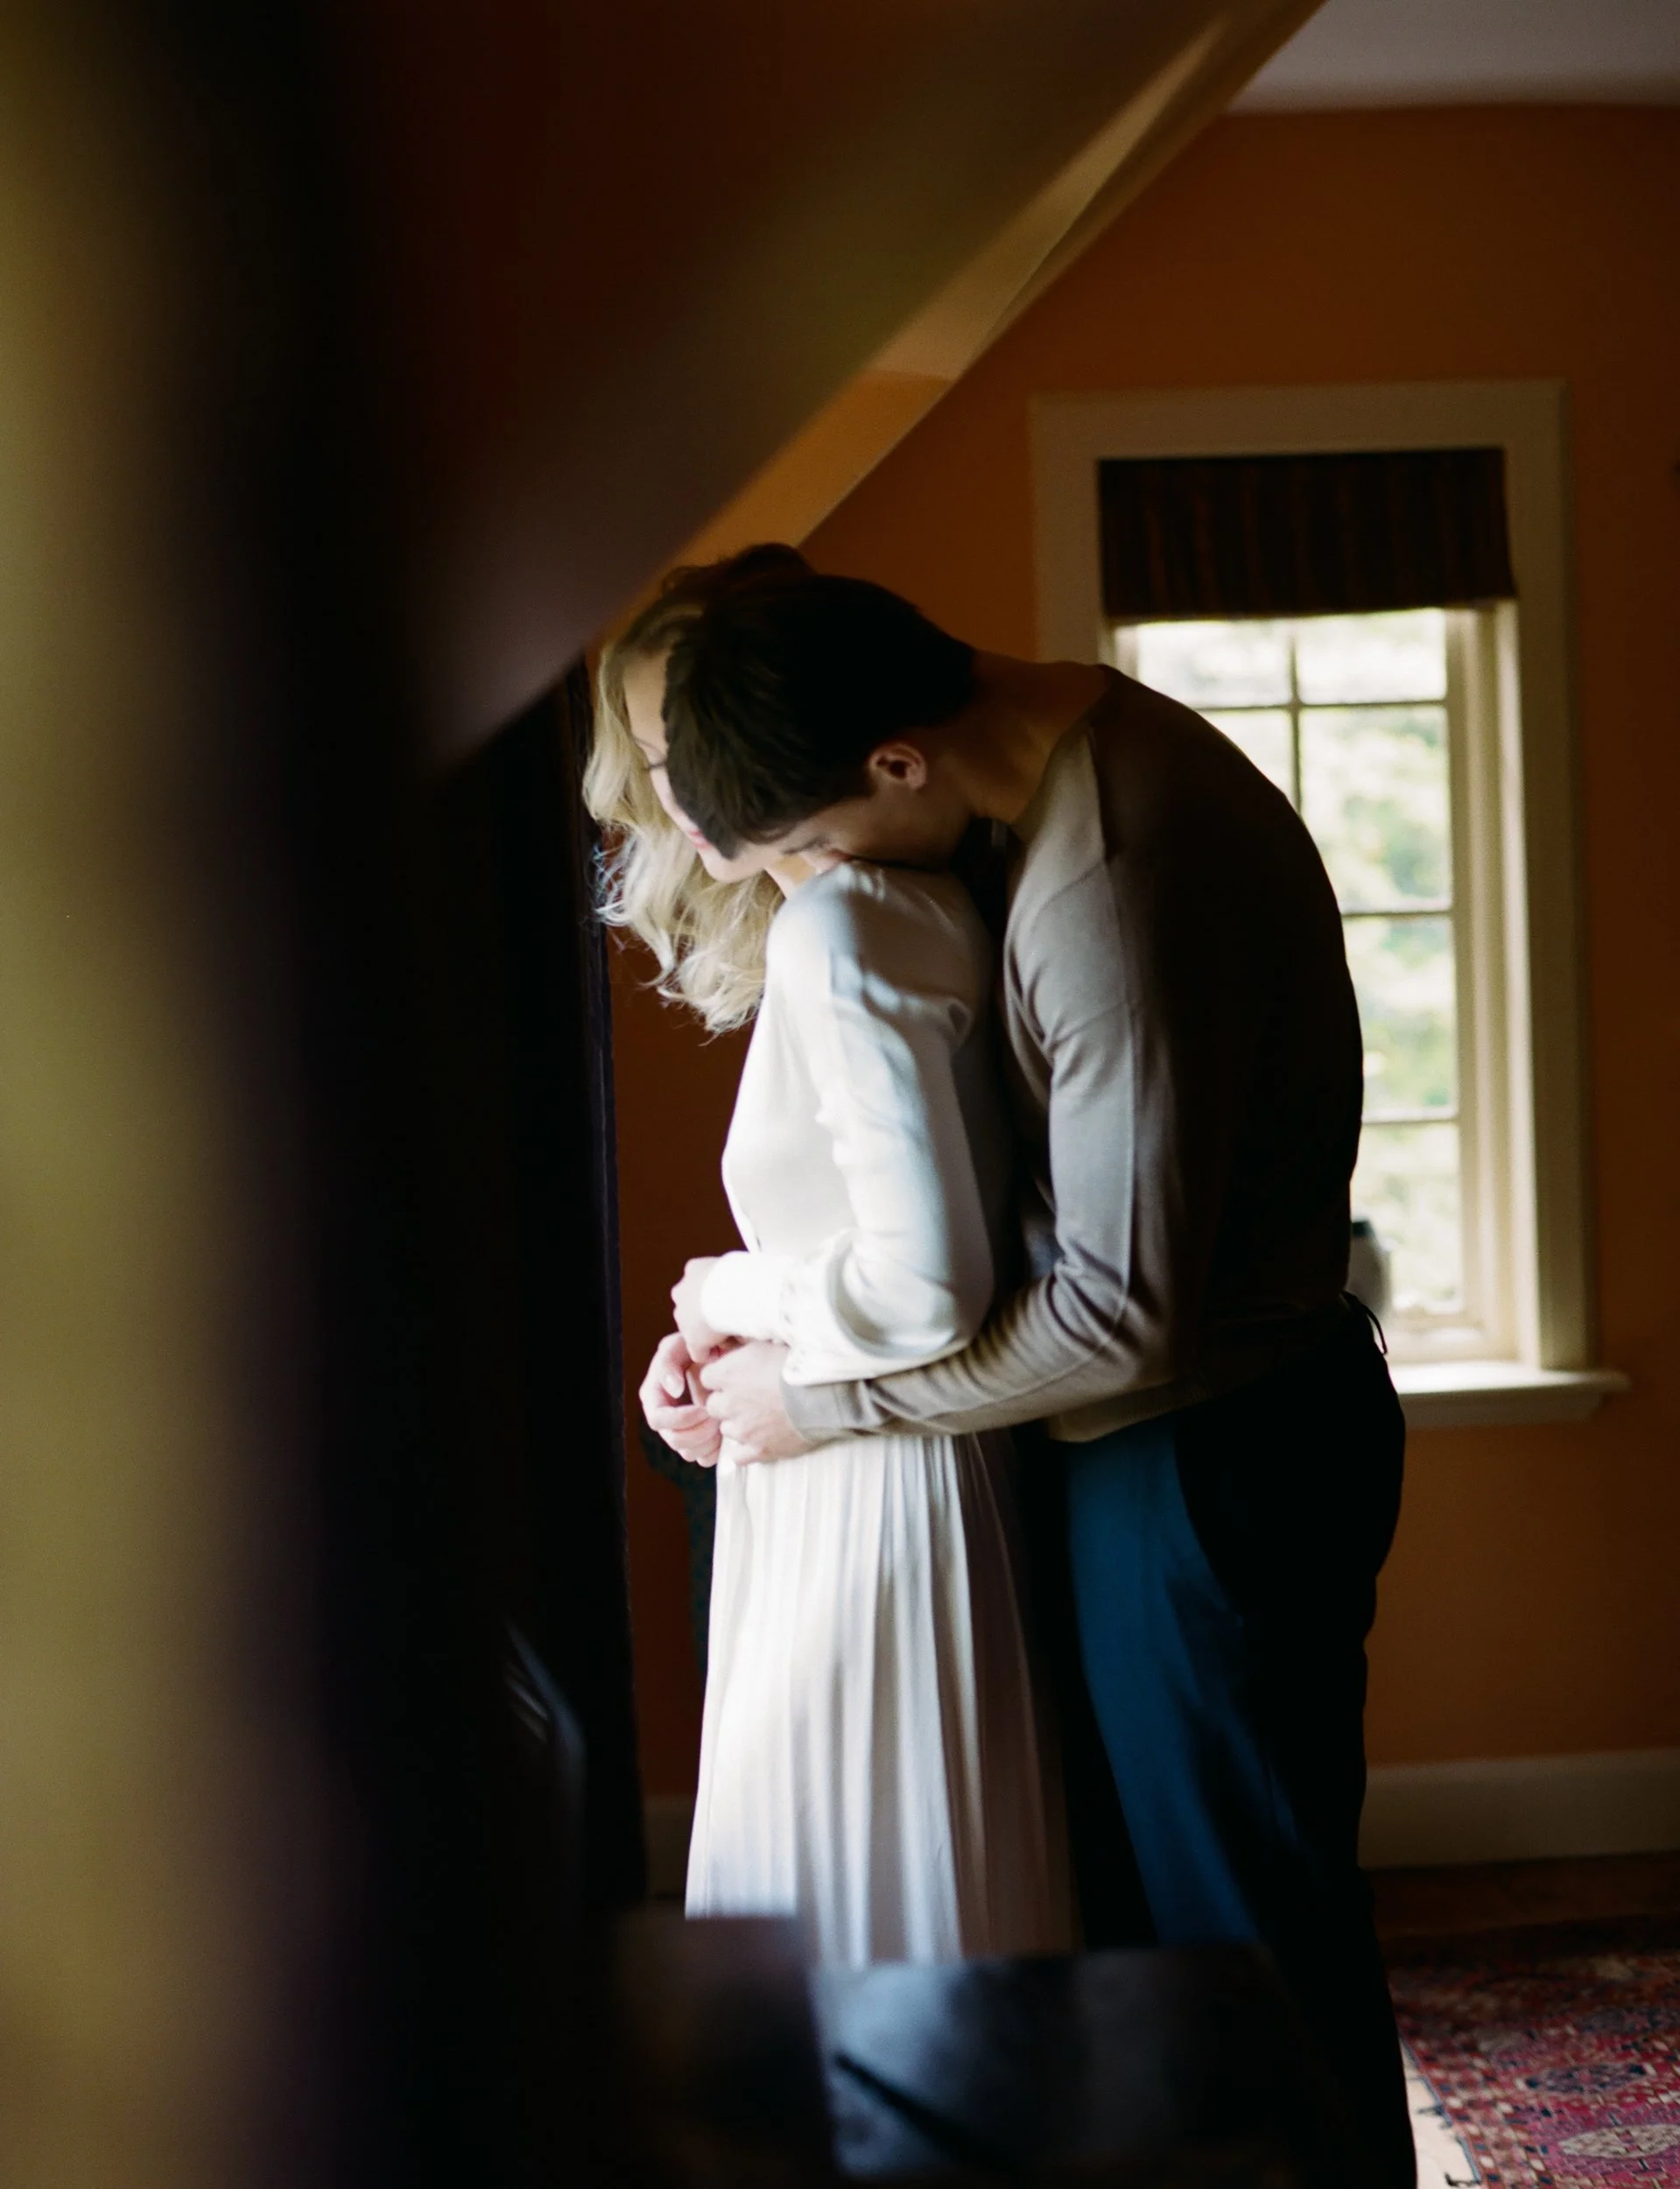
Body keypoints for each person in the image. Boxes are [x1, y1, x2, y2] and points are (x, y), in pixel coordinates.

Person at [661, 549, 1415, 2189]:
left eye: (805, 851)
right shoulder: (1052, 782)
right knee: (1163, 1944)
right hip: (1162, 1444)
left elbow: (1122, 1315)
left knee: (1245, 1946)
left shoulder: (1111, 876)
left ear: (895, 762)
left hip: (1209, 1453)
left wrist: (821, 1398)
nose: (813, 888)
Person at [585, 557, 1067, 1970]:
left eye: (695, 746)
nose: (684, 793)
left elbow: (926, 1285)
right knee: (877, 1894)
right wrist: (731, 1335)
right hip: (849, 1457)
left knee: (862, 1906)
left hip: (871, 1486)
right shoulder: (906, 908)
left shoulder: (844, 928)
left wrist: (727, 1294)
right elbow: (864, 1237)